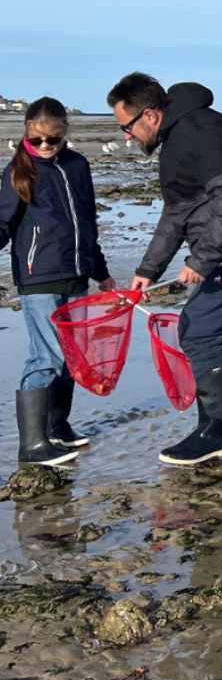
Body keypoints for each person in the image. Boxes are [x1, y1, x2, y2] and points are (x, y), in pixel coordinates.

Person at [107, 73, 222, 466]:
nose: (127, 136)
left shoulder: (197, 130)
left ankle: (215, 432)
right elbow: (178, 210)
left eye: (127, 126)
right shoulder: (179, 136)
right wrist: (150, 269)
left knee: (197, 326)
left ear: (151, 115)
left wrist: (202, 259)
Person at [0, 97, 116, 466]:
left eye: (53, 139)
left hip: (76, 276)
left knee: (71, 358)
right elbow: (3, 224)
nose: (46, 147)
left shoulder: (78, 165)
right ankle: (32, 446)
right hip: (38, 278)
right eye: (38, 140)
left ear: (65, 134)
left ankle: (57, 429)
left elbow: (87, 223)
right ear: (27, 133)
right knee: (46, 357)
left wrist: (101, 271)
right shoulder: (19, 170)